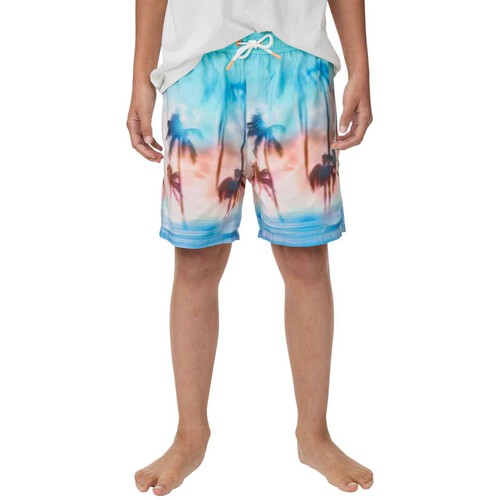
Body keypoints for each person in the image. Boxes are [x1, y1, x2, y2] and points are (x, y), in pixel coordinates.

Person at [127, 0, 373, 495]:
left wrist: (359, 65)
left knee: (306, 256)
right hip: (196, 67)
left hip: (297, 59)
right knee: (195, 259)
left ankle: (314, 434)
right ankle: (190, 434)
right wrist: (141, 78)